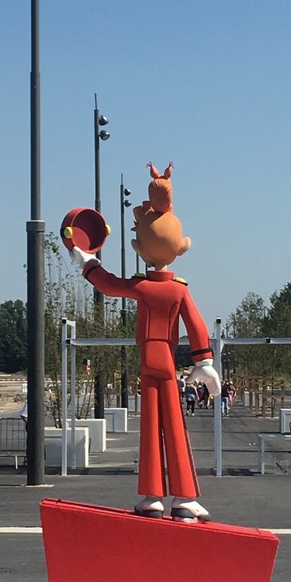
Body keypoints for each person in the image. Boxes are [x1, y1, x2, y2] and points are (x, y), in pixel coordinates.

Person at [69, 162, 220, 522]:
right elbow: (196, 324)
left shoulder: (140, 286)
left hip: (148, 359)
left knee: (150, 429)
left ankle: (152, 496)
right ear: (181, 247)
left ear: (138, 246)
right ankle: (184, 497)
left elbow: (108, 285)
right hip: (166, 359)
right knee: (175, 427)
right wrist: (204, 363)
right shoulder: (178, 290)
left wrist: (88, 262)